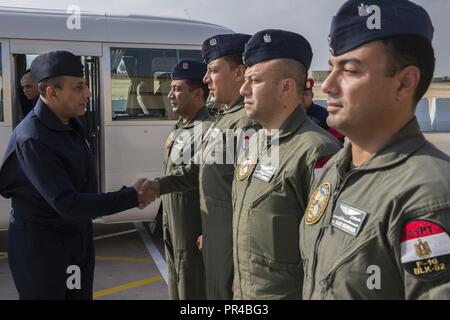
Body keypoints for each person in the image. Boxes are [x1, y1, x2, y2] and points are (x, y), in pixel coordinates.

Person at [300, 0, 450, 299]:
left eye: (350, 70)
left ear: (404, 83)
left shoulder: (429, 194)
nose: (327, 85)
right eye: (331, 68)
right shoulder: (334, 170)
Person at [0, 51, 156, 300]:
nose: (88, 93)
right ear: (52, 93)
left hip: (75, 240)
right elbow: (68, 204)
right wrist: (132, 196)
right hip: (44, 250)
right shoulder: (33, 138)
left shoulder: (70, 124)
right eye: (79, 87)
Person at [232, 29, 341, 299]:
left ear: (286, 87)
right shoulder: (255, 142)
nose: (243, 89)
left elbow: (327, 255)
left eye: (254, 81)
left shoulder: (317, 150)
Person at [150, 33, 260, 299]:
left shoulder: (244, 124)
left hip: (228, 248)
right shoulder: (224, 121)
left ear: (239, 73)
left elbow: (249, 198)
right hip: (213, 239)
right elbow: (207, 177)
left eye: (213, 70)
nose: (206, 78)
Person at [162, 59, 212, 300]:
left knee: (192, 288)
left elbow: (205, 180)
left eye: (178, 89)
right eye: (171, 88)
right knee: (175, 281)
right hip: (173, 222)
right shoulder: (181, 126)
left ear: (198, 94)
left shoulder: (210, 130)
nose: (171, 94)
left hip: (192, 226)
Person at [302, 77, 345, 144]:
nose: (302, 97)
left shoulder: (325, 116)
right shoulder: (288, 115)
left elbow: (338, 142)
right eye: (299, 94)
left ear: (312, 95)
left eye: (305, 94)